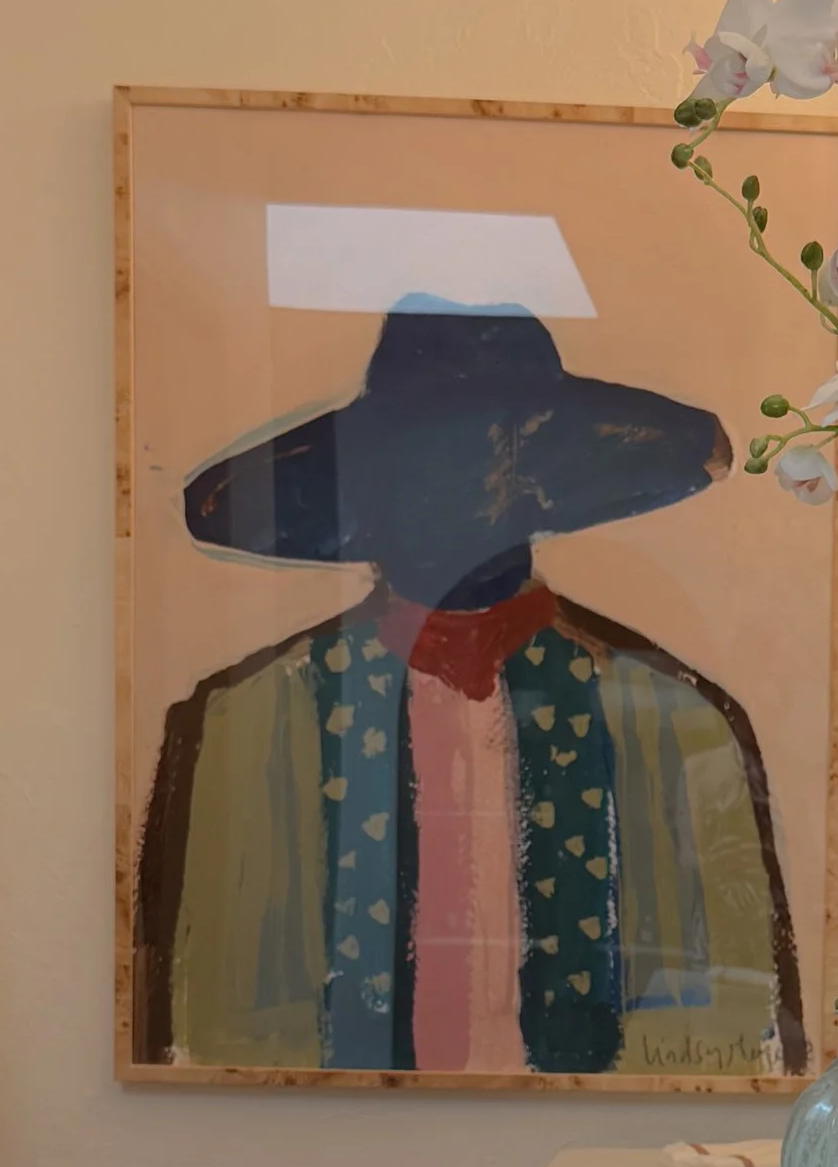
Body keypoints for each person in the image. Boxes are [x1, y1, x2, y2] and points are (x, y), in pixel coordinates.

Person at [134, 307, 804, 1077]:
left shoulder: (683, 726)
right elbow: (202, 1051)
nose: (455, 488)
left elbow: (738, 1051)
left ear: (551, 481)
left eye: (494, 451)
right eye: (417, 454)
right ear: (368, 482)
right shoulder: (242, 725)